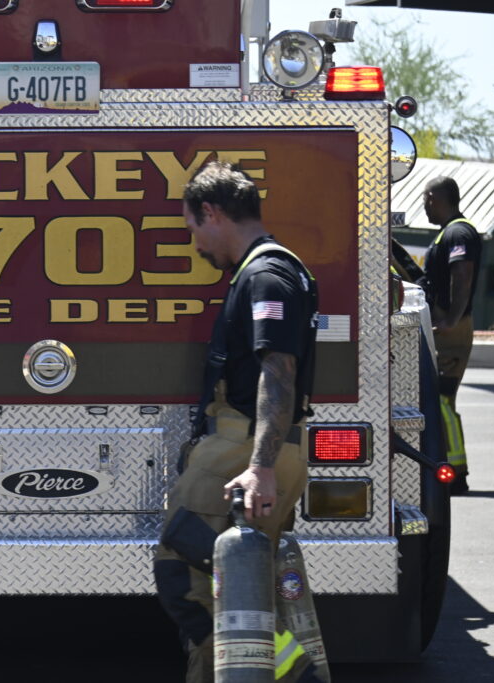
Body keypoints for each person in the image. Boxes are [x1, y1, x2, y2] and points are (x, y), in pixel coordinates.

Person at [153, 161, 323, 683]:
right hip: (256, 447)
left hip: (245, 447)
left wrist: (260, 467)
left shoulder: (265, 276)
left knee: (182, 571)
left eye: (193, 228)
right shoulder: (275, 268)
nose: (195, 244)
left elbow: (278, 371)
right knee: (237, 582)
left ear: (212, 212)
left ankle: (293, 673)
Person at [419, 176, 481, 495]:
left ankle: (456, 473)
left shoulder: (459, 232)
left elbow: (463, 274)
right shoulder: (448, 233)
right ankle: (450, 467)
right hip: (445, 328)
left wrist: (451, 319)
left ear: (433, 197)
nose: (423, 205)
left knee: (442, 401)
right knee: (440, 400)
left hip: (450, 332)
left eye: (424, 199)